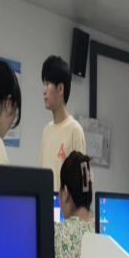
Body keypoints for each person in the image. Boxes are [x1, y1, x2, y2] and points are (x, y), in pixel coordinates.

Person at [40, 55, 86, 191]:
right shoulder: (46, 131)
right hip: (46, 203)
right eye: (44, 84)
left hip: (64, 205)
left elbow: (82, 184)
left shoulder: (75, 130)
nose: (44, 91)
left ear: (60, 89)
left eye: (48, 84)